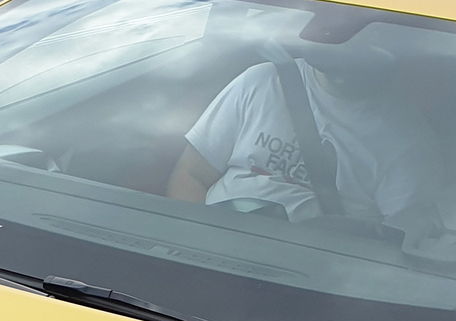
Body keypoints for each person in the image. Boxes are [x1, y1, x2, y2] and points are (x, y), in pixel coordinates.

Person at [167, 50, 441, 233]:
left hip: (316, 275)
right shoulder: (261, 82)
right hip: (212, 244)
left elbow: (401, 244)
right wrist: (197, 239)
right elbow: (190, 175)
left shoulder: (407, 139)